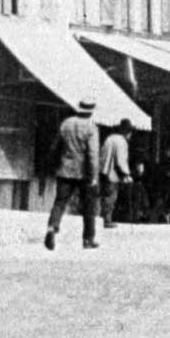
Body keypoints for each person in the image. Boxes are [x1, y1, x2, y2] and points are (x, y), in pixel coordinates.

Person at [45, 99, 101, 251]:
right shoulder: (91, 128)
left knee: (60, 202)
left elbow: (55, 146)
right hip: (83, 172)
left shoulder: (66, 123)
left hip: (64, 169)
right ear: (91, 111)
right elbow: (93, 154)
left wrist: (54, 164)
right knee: (89, 206)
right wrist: (94, 175)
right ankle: (88, 239)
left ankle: (52, 227)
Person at [99, 118, 133, 229]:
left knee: (104, 195)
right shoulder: (122, 142)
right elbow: (120, 160)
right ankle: (107, 219)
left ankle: (102, 217)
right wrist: (126, 174)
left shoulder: (109, 138)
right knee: (111, 196)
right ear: (127, 132)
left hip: (103, 170)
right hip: (113, 173)